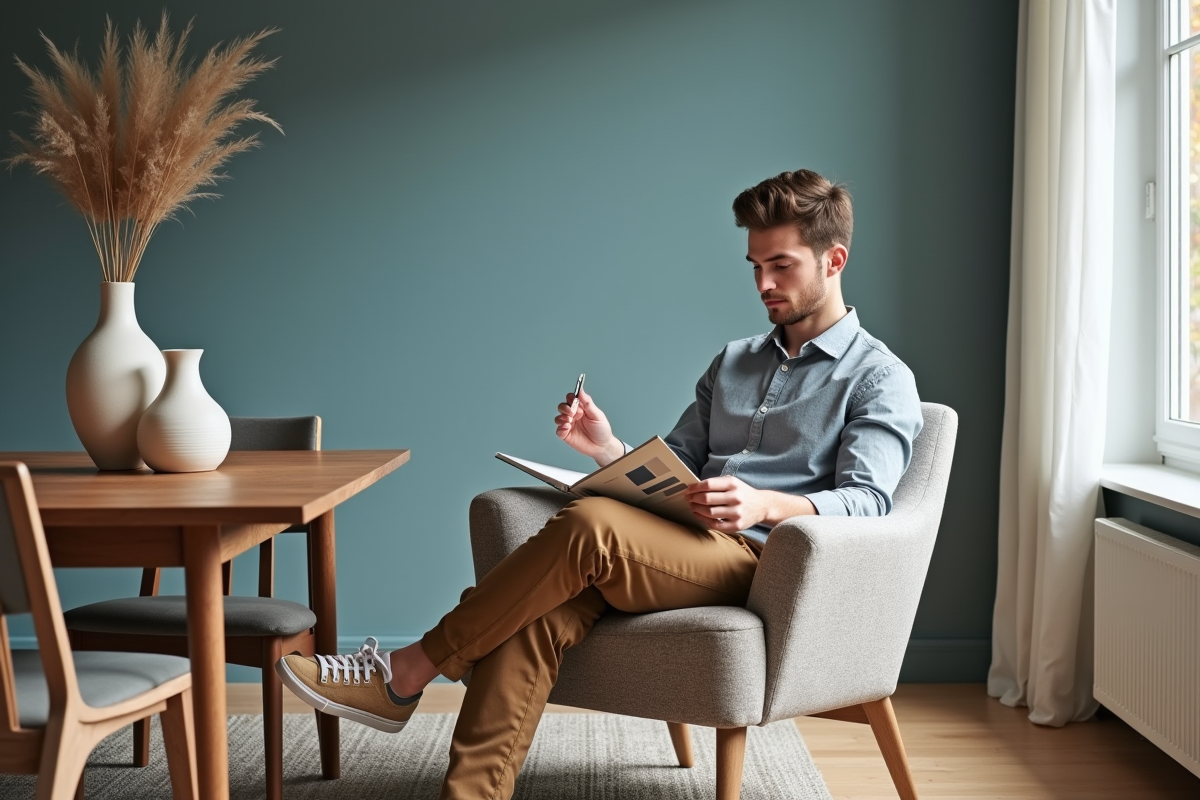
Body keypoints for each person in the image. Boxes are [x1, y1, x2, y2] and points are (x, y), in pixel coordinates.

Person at [276, 169, 924, 799]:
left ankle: (406, 671)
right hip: (678, 541)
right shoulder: (733, 361)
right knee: (536, 614)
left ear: (833, 259)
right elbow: (681, 460)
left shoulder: (877, 376)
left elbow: (869, 501)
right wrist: (608, 450)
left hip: (763, 560)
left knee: (590, 526)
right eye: (754, 265)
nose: (763, 282)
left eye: (781, 265)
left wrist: (766, 503)